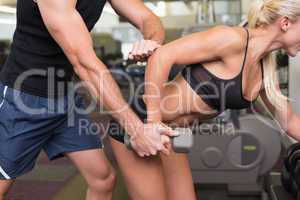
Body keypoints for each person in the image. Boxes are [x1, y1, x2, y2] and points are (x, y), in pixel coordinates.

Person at [108, 0, 300, 199]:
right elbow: (162, 56)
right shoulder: (232, 39)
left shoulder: (265, 73)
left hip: (173, 132)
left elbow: (291, 122)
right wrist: (153, 124)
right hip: (140, 123)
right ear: (285, 23)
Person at [0, 0, 172, 200]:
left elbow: (147, 18)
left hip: (64, 94)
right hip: (24, 98)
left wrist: (152, 41)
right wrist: (136, 130)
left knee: (103, 179)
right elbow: (84, 65)